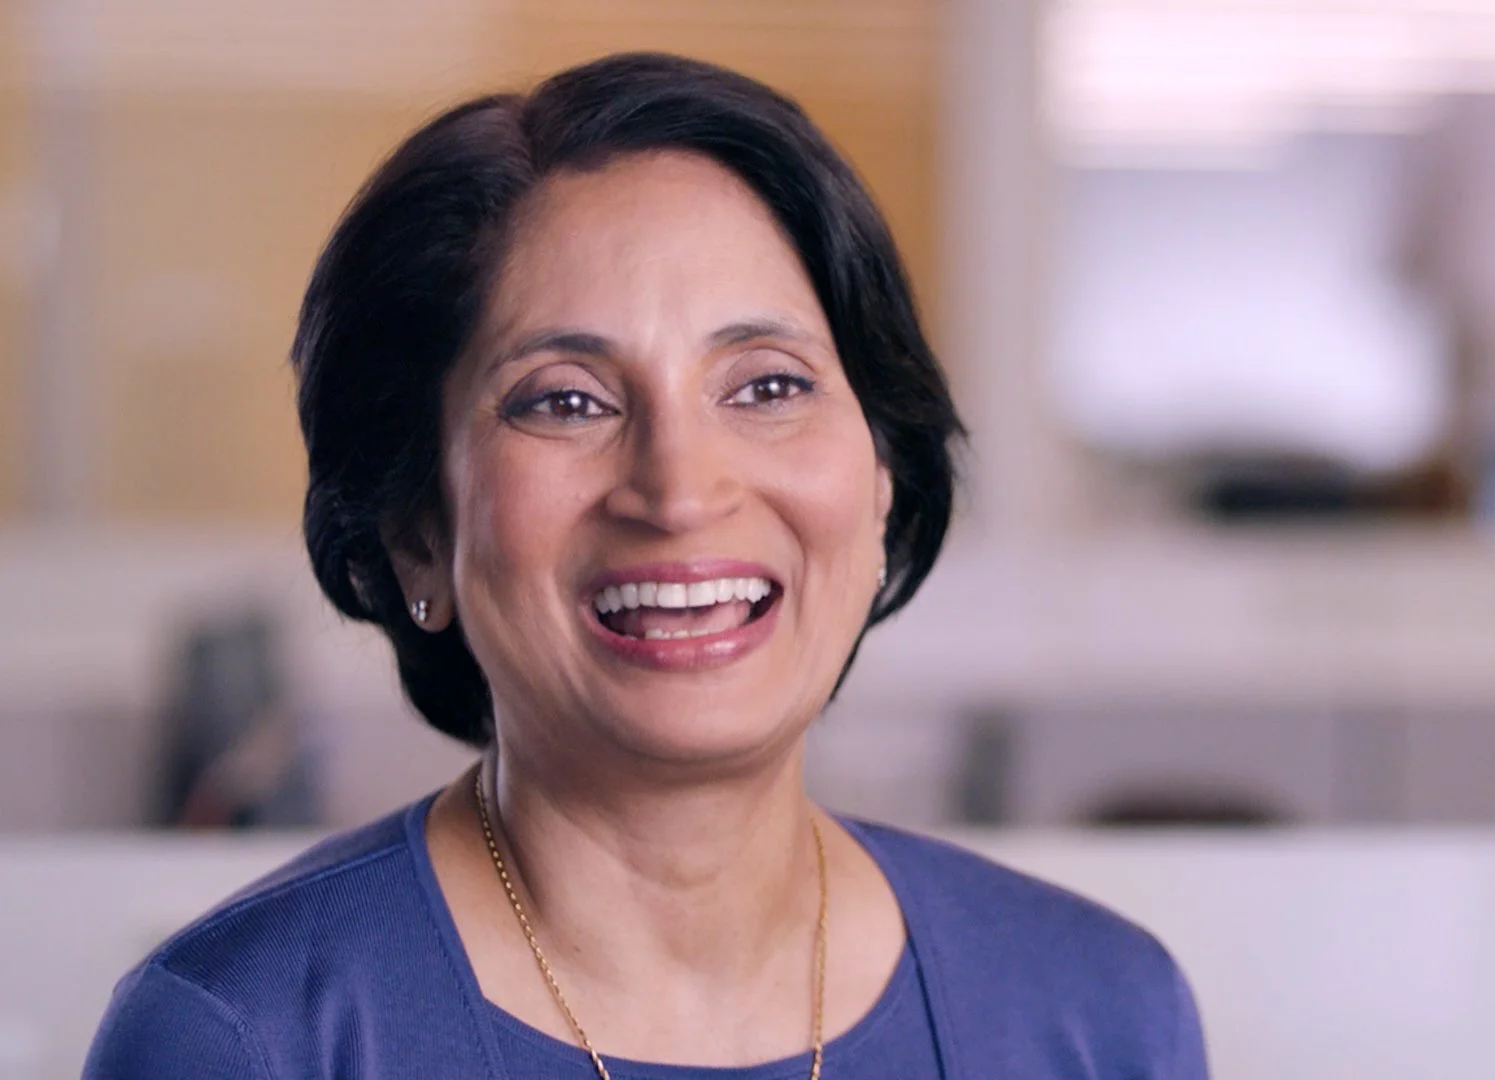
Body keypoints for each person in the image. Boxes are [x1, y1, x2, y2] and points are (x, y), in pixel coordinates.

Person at [83, 52, 1208, 1079]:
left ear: (881, 483)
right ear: (417, 527)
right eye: (566, 400)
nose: (679, 490)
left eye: (766, 385)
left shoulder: (1095, 1015)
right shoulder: (246, 1036)